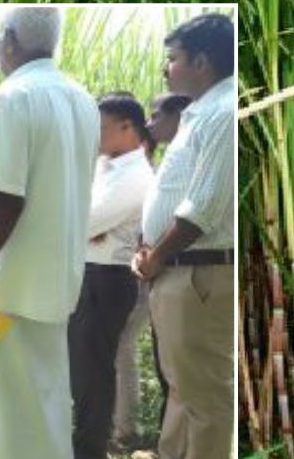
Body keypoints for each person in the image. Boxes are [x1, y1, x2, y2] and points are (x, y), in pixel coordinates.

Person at [0, 8, 99, 459]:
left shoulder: (14, 96)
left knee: (0, 418)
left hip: (4, 288)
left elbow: (7, 201)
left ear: (10, 40)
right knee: (45, 406)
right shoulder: (81, 97)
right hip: (54, 284)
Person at [134, 13, 236, 459]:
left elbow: (204, 207)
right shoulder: (198, 114)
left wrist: (156, 255)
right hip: (176, 271)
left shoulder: (223, 113)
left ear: (202, 61)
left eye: (172, 58)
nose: (165, 68)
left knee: (206, 398)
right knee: (182, 389)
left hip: (197, 274)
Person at [70, 93, 155, 459]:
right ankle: (84, 441)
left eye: (102, 128)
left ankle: (90, 448)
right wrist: (84, 225)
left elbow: (81, 221)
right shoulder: (104, 167)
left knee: (95, 369)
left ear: (128, 127)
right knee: (81, 366)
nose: (96, 136)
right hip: (89, 272)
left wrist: (84, 225)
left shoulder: (136, 175)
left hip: (108, 278)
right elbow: (80, 218)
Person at [115, 92, 191, 446]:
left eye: (157, 114)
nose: (150, 122)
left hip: (173, 272)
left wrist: (155, 255)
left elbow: (193, 217)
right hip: (156, 273)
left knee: (177, 369)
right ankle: (166, 440)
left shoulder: (190, 157)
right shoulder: (169, 162)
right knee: (167, 365)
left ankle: (157, 438)